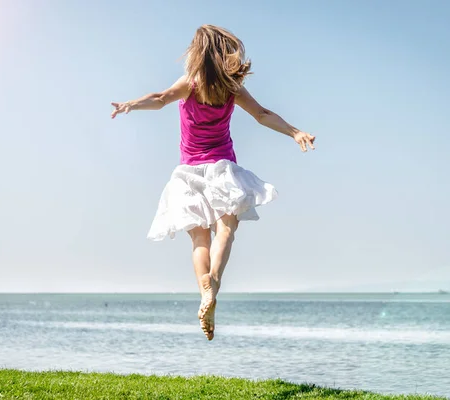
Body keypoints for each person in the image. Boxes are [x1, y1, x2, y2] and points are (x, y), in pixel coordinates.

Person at [110, 24, 315, 340]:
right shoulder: (232, 89)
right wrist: (295, 132)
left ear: (198, 54)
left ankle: (204, 290)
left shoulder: (190, 85)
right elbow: (262, 114)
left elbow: (161, 98)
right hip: (222, 170)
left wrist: (131, 105)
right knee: (227, 230)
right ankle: (214, 282)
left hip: (189, 174)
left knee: (198, 241)